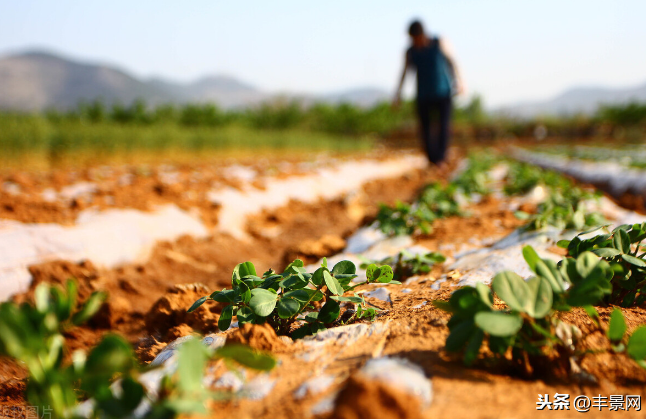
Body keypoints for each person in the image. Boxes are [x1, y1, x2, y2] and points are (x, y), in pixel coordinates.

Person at [393, 20, 465, 166]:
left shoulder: (439, 42)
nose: (415, 41)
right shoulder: (411, 51)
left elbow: (452, 61)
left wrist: (459, 81)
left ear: (422, 34)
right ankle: (432, 160)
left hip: (443, 92)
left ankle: (441, 159)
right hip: (423, 94)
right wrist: (398, 93)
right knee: (425, 129)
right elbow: (404, 72)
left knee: (443, 126)